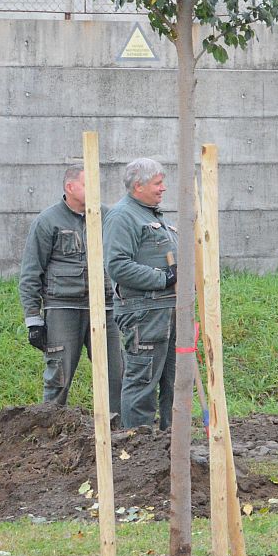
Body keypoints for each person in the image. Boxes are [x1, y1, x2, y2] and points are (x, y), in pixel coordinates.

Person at [19, 165, 121, 411]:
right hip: (63, 308)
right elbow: (31, 273)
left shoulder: (107, 217)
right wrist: (33, 320)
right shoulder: (48, 221)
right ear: (70, 187)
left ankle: (119, 431)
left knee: (115, 373)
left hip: (106, 308)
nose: (94, 191)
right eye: (88, 185)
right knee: (59, 375)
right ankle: (49, 427)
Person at [104, 158, 178, 431]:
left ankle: (171, 448)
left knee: (173, 382)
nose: (164, 189)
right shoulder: (123, 216)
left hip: (168, 311)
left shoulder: (153, 215)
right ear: (138, 185)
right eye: (158, 183)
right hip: (144, 313)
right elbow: (118, 265)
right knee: (142, 382)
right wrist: (165, 278)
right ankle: (138, 450)